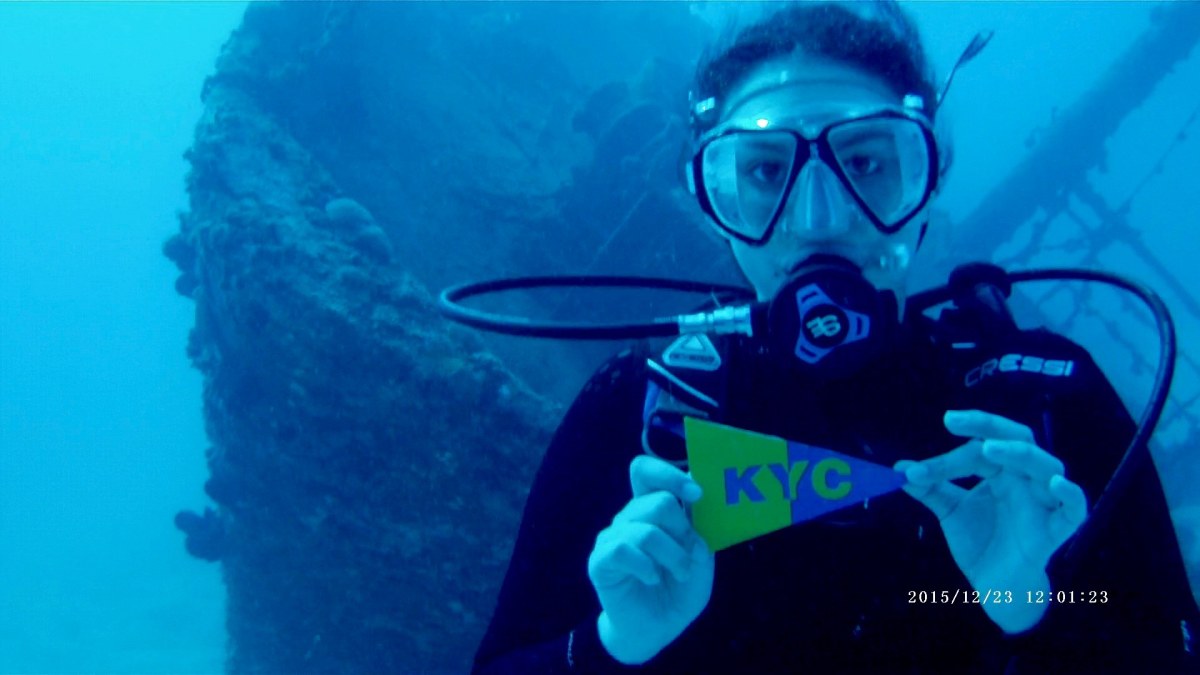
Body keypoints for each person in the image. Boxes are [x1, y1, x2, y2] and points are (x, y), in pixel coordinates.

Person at [472, 3, 1198, 673]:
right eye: (763, 171)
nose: (817, 219)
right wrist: (613, 644)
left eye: (867, 163)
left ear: (925, 186)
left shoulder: (1044, 404)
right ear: (717, 204)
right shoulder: (637, 414)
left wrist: (1035, 606)